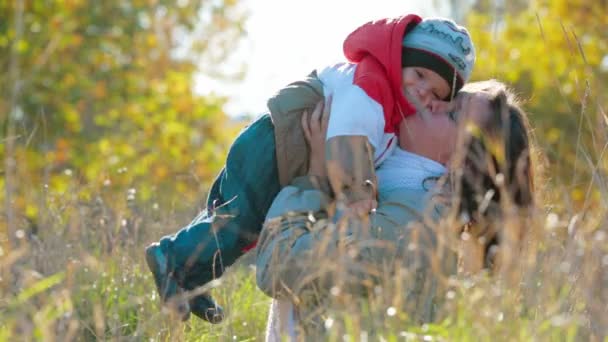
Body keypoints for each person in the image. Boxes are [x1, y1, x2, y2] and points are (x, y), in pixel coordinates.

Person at [145, 14, 476, 322]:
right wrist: (358, 192)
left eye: (435, 92)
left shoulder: (391, 106)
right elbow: (349, 141)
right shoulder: (370, 87)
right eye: (419, 75)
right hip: (275, 145)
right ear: (399, 59)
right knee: (238, 221)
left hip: (286, 150)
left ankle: (190, 280)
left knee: (246, 229)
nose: (422, 91)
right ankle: (172, 256)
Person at [256, 80, 535, 339]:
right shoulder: (385, 182)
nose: (433, 102)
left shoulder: (412, 223)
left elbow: (278, 268)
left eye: (452, 115)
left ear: (465, 163)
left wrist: (313, 177)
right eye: (449, 97)